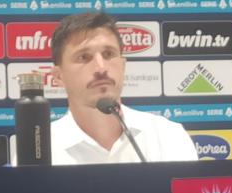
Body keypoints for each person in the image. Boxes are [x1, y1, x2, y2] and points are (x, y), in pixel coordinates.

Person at [48, 10, 199, 165]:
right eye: (84, 57)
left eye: (108, 54)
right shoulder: (41, 149)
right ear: (59, 77)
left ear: (123, 65)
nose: (101, 68)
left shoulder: (168, 136)